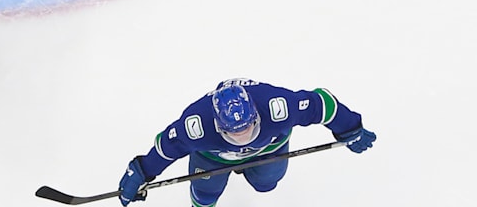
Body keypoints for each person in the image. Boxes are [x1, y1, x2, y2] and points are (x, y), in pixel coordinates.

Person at [116, 78, 377, 207]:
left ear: (255, 113)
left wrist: (350, 127)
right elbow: (166, 148)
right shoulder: (196, 126)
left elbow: (322, 105)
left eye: (248, 126)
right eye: (233, 132)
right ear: (218, 125)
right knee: (205, 196)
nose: (242, 137)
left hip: (270, 147)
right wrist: (141, 171)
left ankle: (255, 175)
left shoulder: (278, 107)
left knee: (266, 184)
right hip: (213, 156)